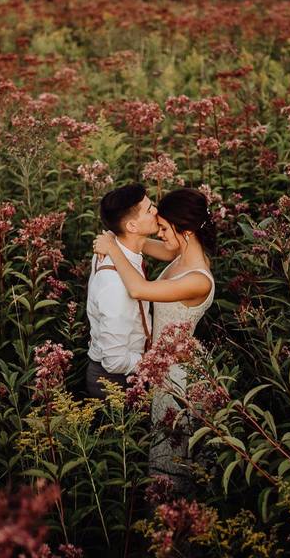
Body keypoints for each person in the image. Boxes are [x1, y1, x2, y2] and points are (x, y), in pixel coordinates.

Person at [92, 187, 216, 493]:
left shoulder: (197, 279)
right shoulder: (180, 253)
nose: (159, 234)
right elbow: (141, 242)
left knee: (173, 456)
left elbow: (138, 289)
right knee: (168, 449)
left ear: (185, 231)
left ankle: (175, 520)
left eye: (163, 228)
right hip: (165, 364)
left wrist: (111, 245)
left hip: (179, 373)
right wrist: (118, 235)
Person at [85, 183, 178, 399]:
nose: (156, 211)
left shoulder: (116, 246)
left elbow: (172, 252)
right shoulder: (115, 284)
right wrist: (159, 362)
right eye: (149, 209)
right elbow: (115, 360)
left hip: (126, 373)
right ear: (132, 227)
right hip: (115, 383)